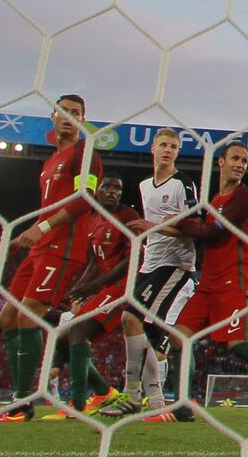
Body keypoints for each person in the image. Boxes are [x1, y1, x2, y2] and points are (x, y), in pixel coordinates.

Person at [143, 141, 248, 423]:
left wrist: (180, 221)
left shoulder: (244, 196)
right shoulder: (214, 200)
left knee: (238, 345)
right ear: (221, 162)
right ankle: (182, 405)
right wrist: (156, 227)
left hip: (235, 280)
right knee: (180, 338)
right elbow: (201, 230)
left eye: (244, 160)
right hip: (208, 283)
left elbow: (212, 232)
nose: (240, 165)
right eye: (235, 159)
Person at [0, 94, 102, 423]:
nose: (70, 117)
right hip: (40, 248)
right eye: (64, 112)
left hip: (63, 248)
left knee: (28, 317)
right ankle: (19, 396)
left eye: (77, 113)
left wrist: (41, 229)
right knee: (7, 318)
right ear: (52, 117)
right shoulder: (48, 163)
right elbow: (48, 209)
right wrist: (18, 239)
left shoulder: (85, 154)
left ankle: (23, 401)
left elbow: (86, 199)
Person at [100, 128, 198, 416]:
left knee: (141, 324)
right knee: (130, 322)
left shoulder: (184, 184)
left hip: (176, 266)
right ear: (152, 149)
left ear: (178, 152)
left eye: (174, 146)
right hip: (150, 263)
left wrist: (151, 226)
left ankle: (146, 400)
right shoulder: (145, 186)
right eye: (164, 145)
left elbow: (195, 227)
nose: (168, 150)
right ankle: (146, 400)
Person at [39, 174, 140, 420]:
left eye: (118, 188)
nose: (113, 192)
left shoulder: (128, 218)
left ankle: (77, 406)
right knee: (62, 337)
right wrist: (77, 289)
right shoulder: (93, 220)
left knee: (78, 332)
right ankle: (104, 393)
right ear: (97, 190)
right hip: (105, 288)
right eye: (108, 187)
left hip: (123, 289)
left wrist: (93, 285)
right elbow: (95, 261)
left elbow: (132, 258)